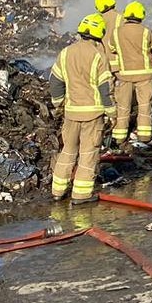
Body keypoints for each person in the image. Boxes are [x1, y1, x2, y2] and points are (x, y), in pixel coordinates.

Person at [49, 13, 114, 205]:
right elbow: (105, 88)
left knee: (67, 151)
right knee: (88, 154)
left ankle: (57, 191)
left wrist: (58, 102)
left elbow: (55, 80)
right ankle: (81, 195)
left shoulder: (66, 52)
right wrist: (112, 112)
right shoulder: (98, 56)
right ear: (99, 32)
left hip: (71, 112)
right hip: (92, 114)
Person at [109, 0, 152, 145]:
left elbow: (112, 48)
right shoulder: (146, 31)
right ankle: (144, 137)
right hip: (145, 75)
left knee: (123, 106)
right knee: (145, 105)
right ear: (141, 15)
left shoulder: (116, 32)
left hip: (124, 74)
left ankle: (119, 136)